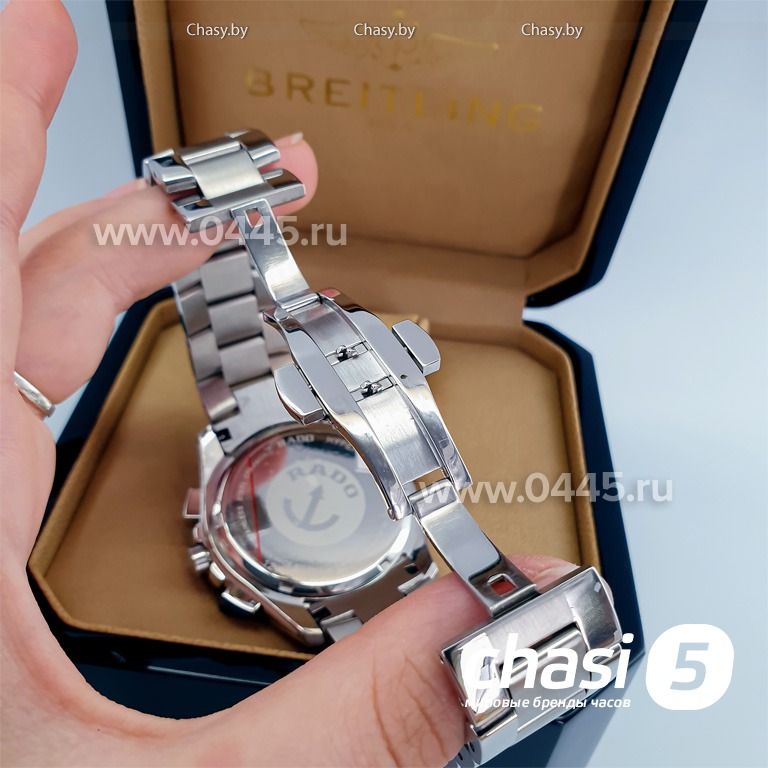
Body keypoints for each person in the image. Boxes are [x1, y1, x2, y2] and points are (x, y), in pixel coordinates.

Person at [0, 2, 574, 764]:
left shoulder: (337, 445)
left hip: (367, 525)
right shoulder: (247, 425)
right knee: (234, 327)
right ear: (217, 553)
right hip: (307, 512)